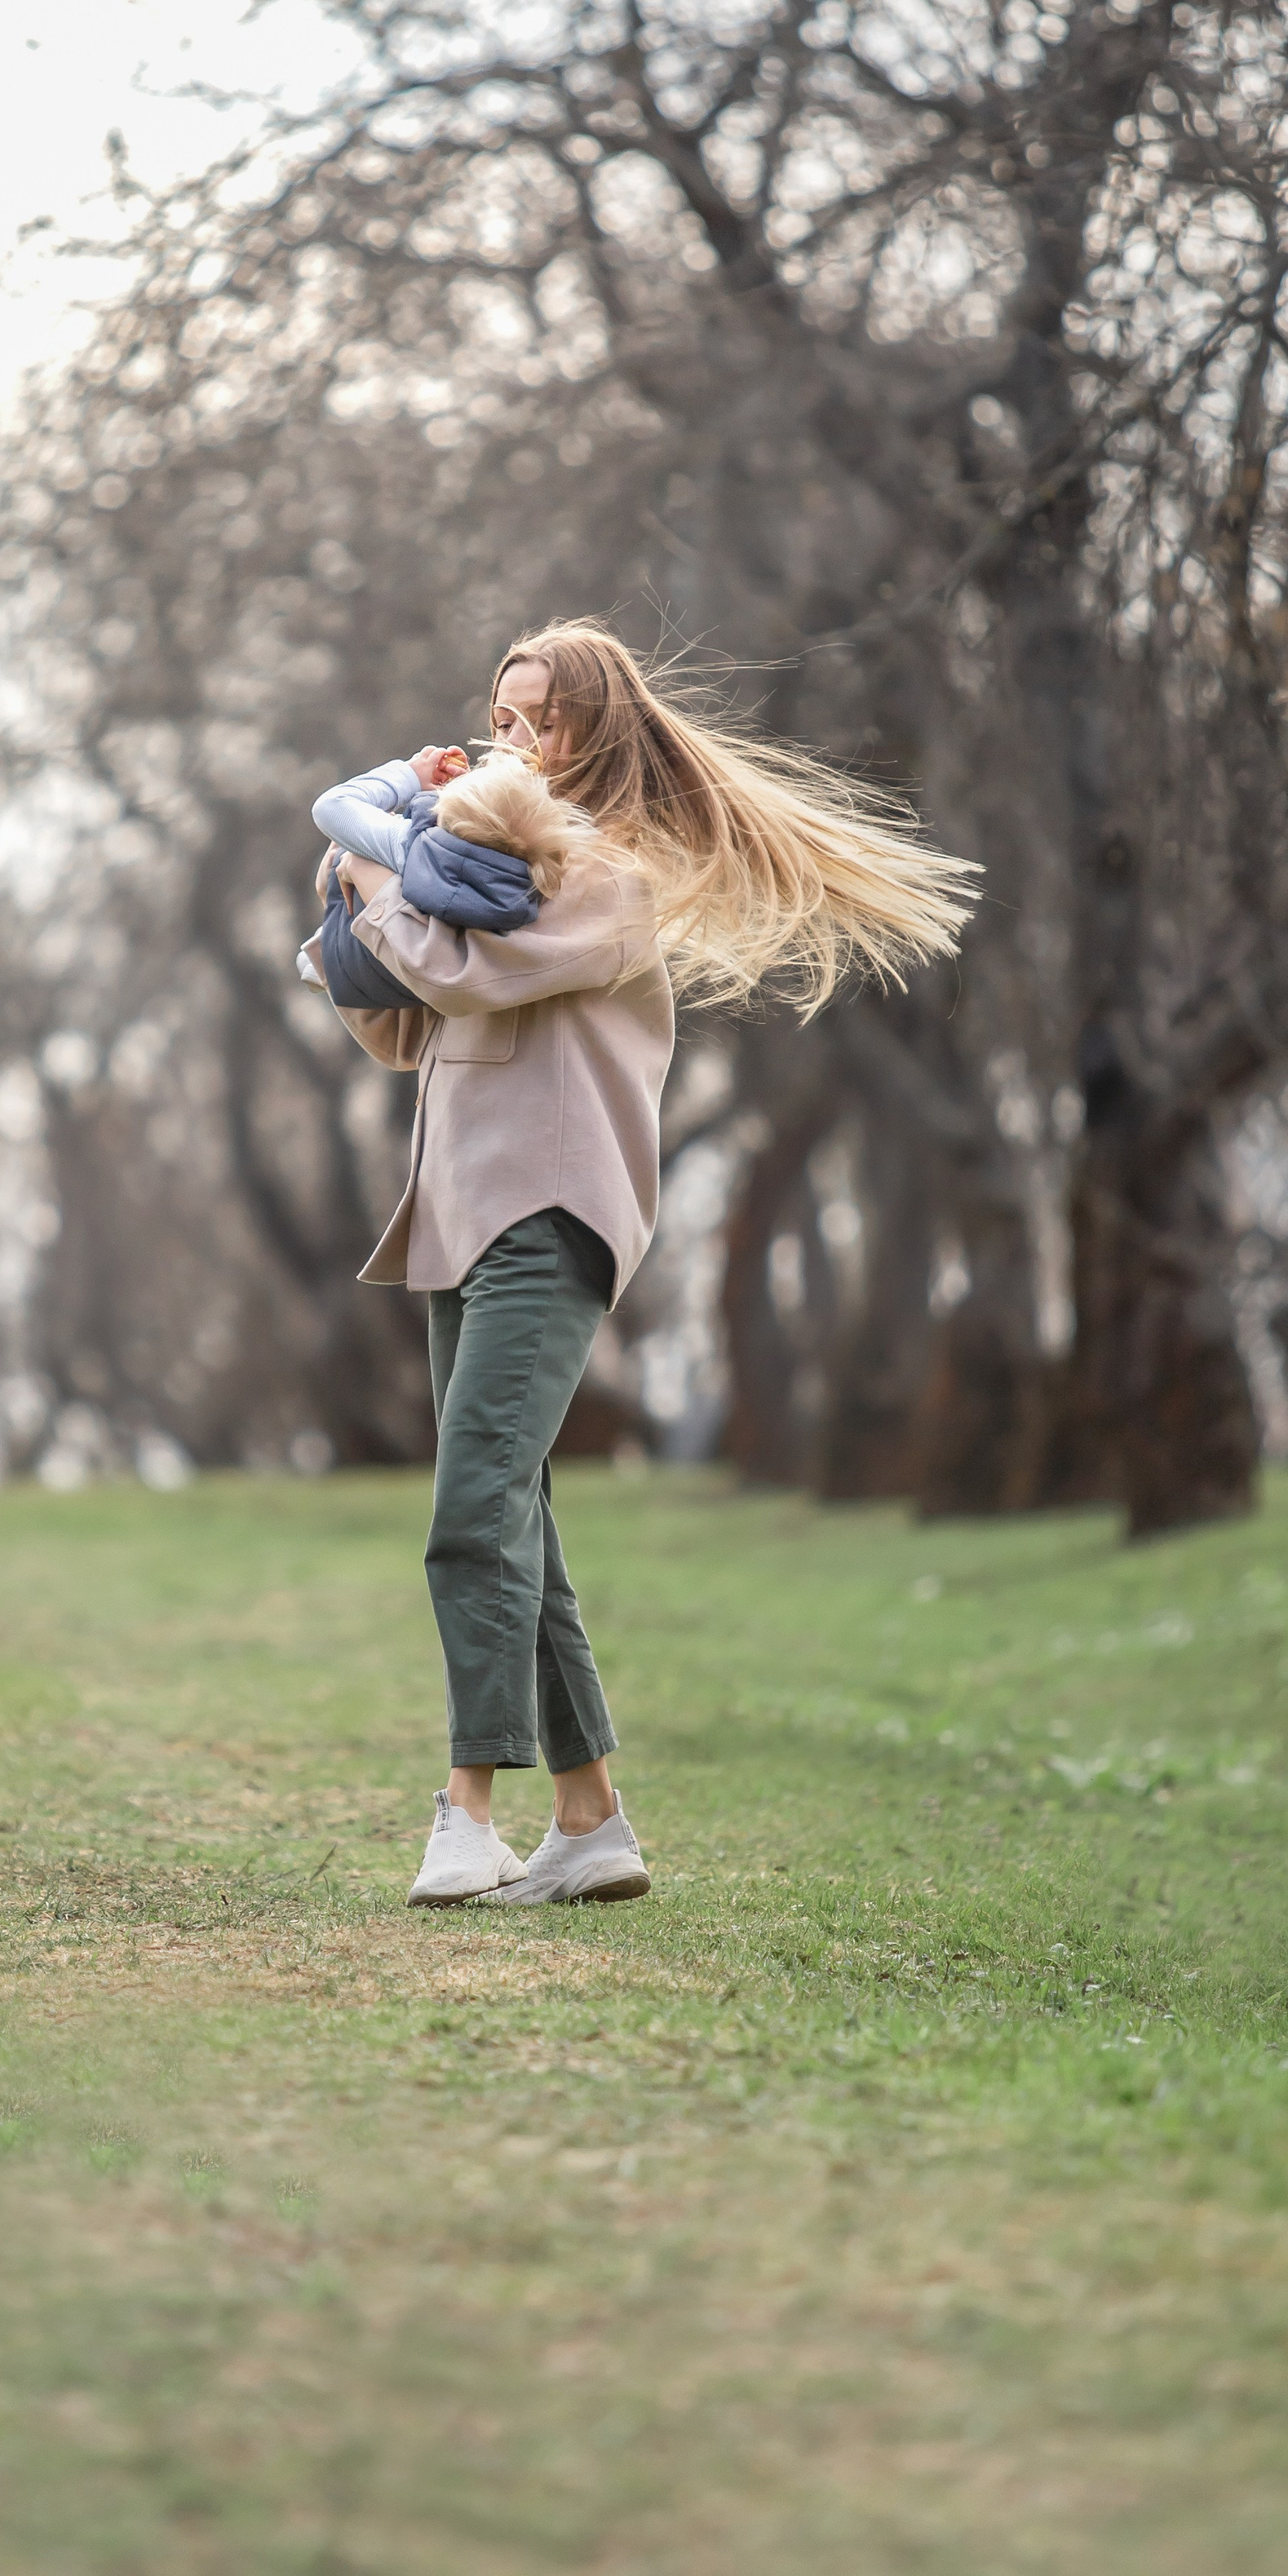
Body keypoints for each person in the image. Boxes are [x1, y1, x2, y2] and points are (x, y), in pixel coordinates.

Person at [311, 622, 980, 1909]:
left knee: (471, 1510)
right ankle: (593, 1823)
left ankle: (465, 1812)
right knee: (519, 1523)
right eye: (502, 718)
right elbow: (406, 1024)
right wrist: (353, 910)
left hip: (547, 1214)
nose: (514, 742)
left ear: (597, 730)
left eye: (541, 720)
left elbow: (470, 974)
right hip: (459, 1212)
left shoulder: (606, 872)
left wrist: (376, 880)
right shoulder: (482, 861)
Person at [297, 745, 583, 1012]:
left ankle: (320, 945)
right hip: (408, 988)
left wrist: (410, 774)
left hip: (353, 960)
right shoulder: (524, 888)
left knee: (357, 841)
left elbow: (331, 806)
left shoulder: (413, 847)